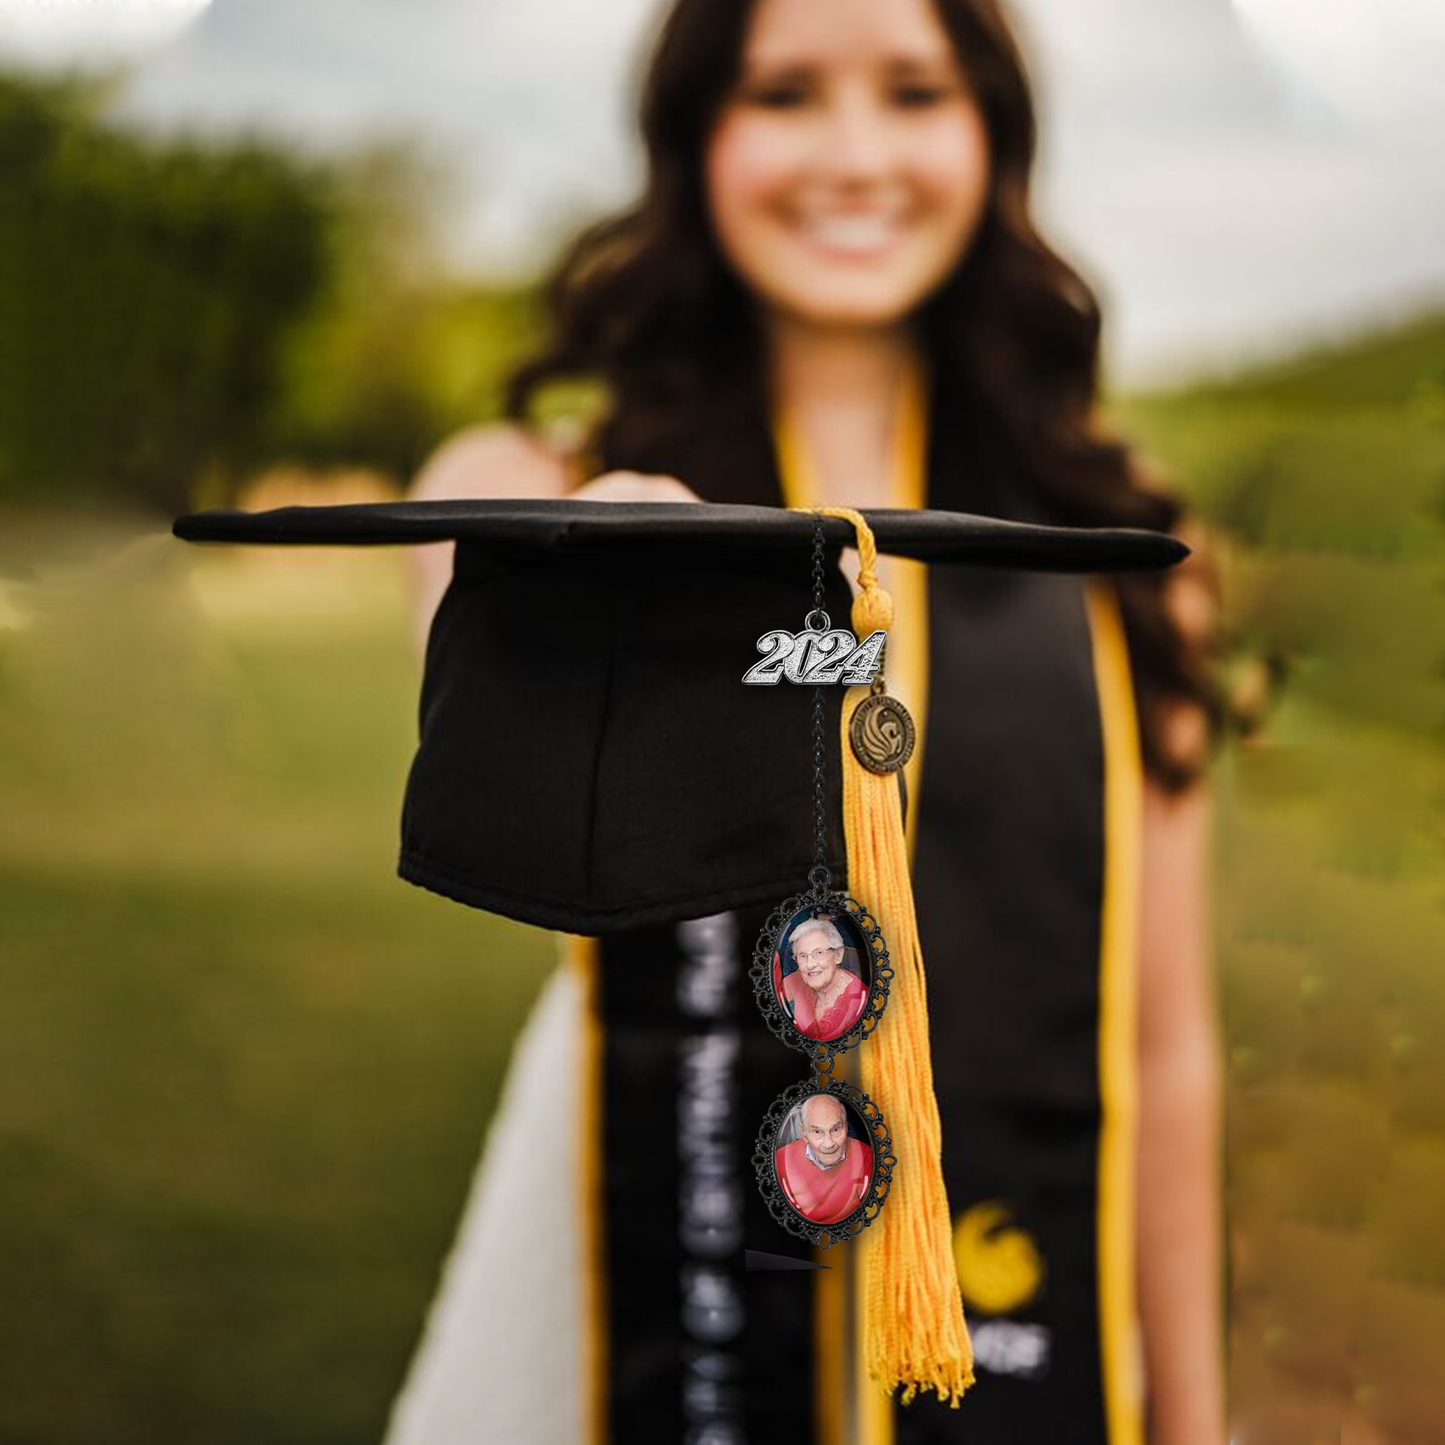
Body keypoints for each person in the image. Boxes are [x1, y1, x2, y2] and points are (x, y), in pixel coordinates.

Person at [390, 0, 1226, 1442]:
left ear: (992, 135)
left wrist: (1198, 1418)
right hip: (630, 1276)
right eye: (785, 93)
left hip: (1016, 1293)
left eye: (913, 91)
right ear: (694, 133)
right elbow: (475, 635)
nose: (853, 152)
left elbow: (1162, 1048)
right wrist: (583, 558)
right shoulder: (553, 482)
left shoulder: (1113, 559)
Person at [775, 1094, 874, 1225]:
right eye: (817, 1132)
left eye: (836, 1129)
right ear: (804, 1133)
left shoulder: (867, 1156)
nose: (828, 1144)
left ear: (846, 1127)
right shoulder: (781, 1160)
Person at [778, 917, 869, 1041]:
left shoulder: (860, 1001)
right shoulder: (797, 979)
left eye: (819, 953)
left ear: (838, 955)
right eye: (803, 956)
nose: (810, 964)